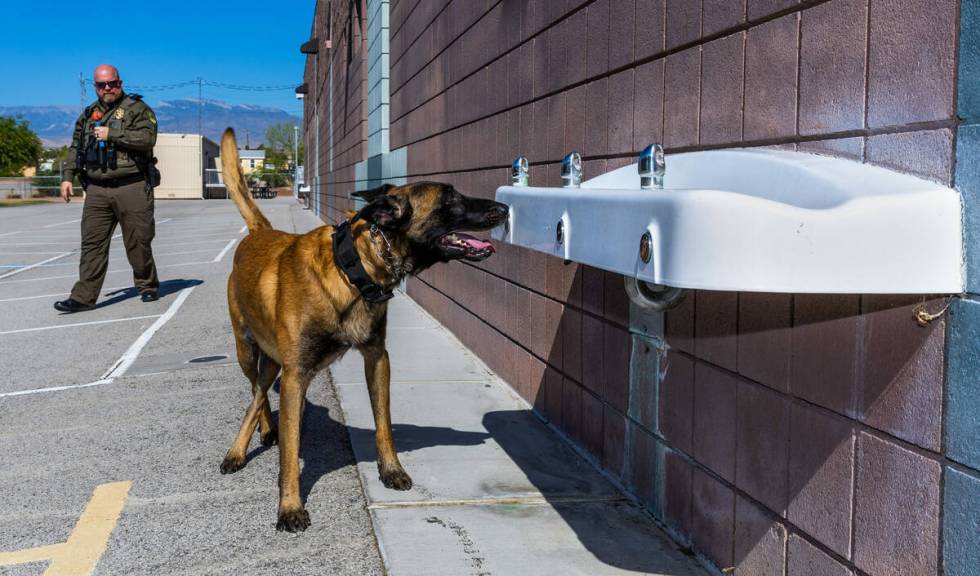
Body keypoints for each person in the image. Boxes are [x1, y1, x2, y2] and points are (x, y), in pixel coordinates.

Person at [55, 64, 161, 313]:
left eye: (111, 83)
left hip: (132, 185)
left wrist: (112, 133)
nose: (107, 89)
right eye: (102, 85)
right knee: (92, 244)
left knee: (138, 242)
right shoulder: (88, 114)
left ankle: (147, 285)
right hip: (97, 189)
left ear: (120, 83)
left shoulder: (138, 109)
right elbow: (75, 148)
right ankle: (83, 297)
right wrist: (67, 176)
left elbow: (148, 139)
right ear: (95, 87)